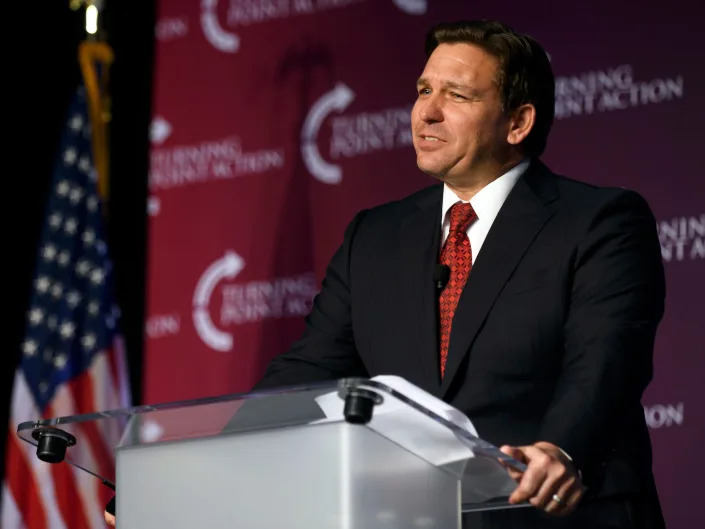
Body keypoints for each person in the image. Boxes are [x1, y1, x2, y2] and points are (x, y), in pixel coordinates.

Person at [106, 19, 665, 529]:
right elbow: (306, 373)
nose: (427, 112)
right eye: (424, 91)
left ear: (517, 122)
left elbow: (606, 358)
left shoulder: (598, 221)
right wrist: (197, 474)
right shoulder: (375, 236)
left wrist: (561, 450)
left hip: (559, 514)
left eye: (458, 95)